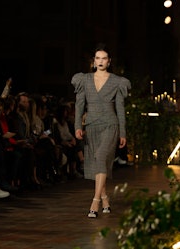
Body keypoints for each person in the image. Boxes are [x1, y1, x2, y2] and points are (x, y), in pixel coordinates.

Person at [71, 43, 131, 218]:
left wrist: (123, 133)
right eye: (98, 58)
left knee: (101, 157)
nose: (101, 61)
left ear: (109, 61)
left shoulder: (117, 82)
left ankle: (95, 201)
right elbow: (79, 105)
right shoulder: (84, 80)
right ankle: (105, 198)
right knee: (98, 161)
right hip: (91, 126)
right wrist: (77, 126)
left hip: (110, 125)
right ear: (93, 61)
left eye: (104, 58)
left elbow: (120, 109)